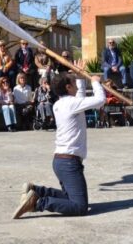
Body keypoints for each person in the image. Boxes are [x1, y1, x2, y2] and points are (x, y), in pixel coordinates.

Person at [12, 70, 105, 219]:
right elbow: (100, 100)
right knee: (80, 206)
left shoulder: (59, 104)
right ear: (68, 87)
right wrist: (95, 82)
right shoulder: (72, 104)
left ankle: (37, 191)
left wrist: (80, 78)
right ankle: (37, 202)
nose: (76, 86)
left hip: (61, 161)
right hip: (69, 163)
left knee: (70, 198)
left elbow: (79, 99)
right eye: (74, 83)